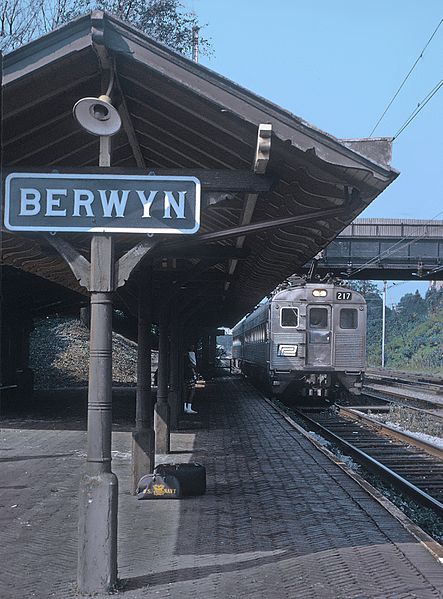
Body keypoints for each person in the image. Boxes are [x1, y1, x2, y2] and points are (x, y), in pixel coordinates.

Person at [184, 346, 198, 414]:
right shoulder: (191, 354)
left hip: (184, 374)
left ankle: (185, 407)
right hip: (189, 374)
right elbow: (194, 365)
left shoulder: (183, 354)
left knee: (185, 391)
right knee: (192, 391)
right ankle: (189, 408)